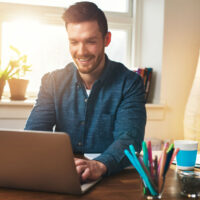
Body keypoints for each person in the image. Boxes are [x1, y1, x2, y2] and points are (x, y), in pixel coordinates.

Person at [25, 1, 146, 182]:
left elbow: (129, 140)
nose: (81, 52)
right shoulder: (52, 82)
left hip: (110, 178)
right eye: (74, 42)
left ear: (107, 39)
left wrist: (99, 165)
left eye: (90, 41)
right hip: (62, 175)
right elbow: (34, 135)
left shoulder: (130, 83)